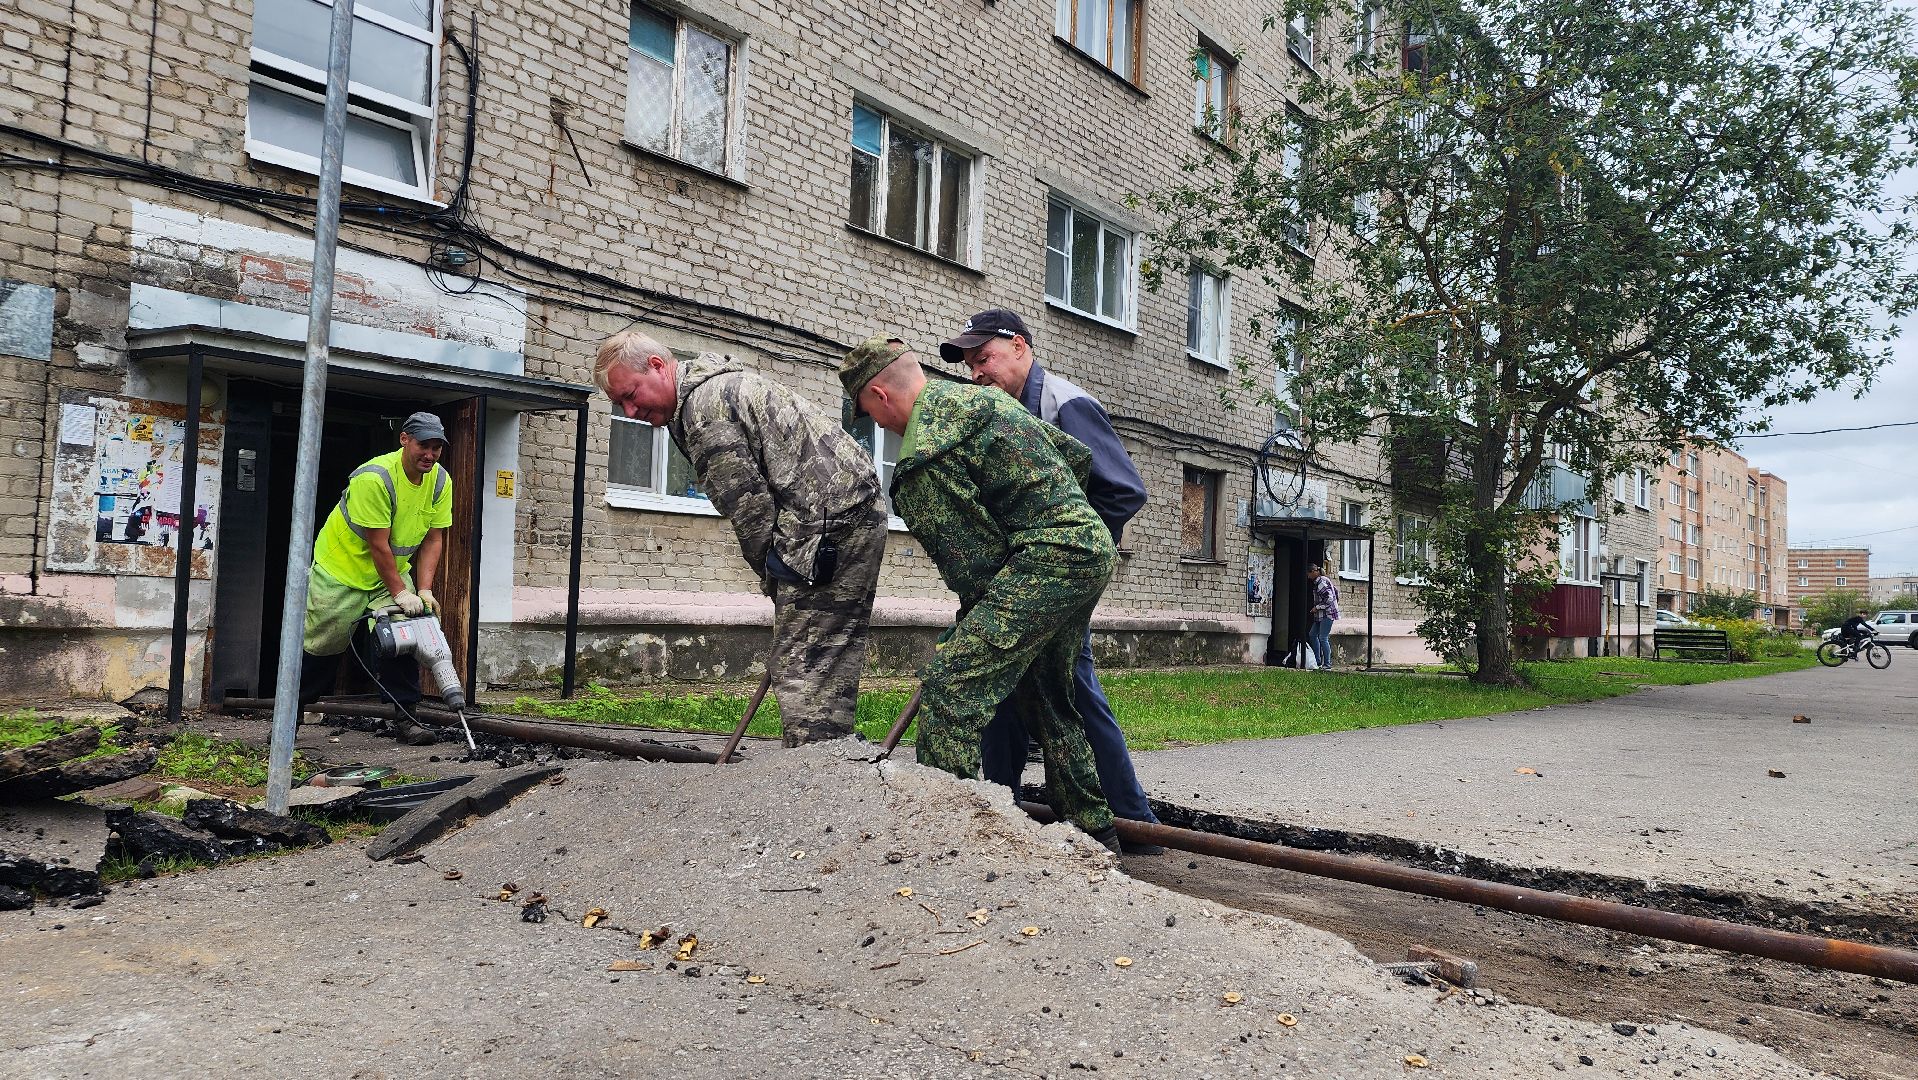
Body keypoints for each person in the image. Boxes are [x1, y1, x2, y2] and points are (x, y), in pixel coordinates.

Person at [840, 335, 1121, 852]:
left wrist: (974, 625)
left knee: (952, 685)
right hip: (1085, 548)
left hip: (1044, 562)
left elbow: (978, 570)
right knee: (1047, 696)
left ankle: (946, 840)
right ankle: (1094, 832)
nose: (876, 426)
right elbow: (1074, 457)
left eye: (869, 414)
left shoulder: (923, 458)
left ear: (881, 395)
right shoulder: (983, 399)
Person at [595, 332, 888, 745]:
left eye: (631, 393)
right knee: (828, 655)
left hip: (825, 527)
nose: (630, 409)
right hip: (850, 513)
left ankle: (817, 781)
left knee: (803, 665)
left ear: (659, 367)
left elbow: (750, 511)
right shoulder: (717, 386)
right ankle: (832, 773)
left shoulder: (703, 410)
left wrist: (776, 577)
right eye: (619, 404)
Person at [940, 308, 1163, 851]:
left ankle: (1134, 822)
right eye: (970, 366)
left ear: (1019, 347)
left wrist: (1064, 549)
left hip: (1058, 575)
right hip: (1025, 577)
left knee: (1072, 686)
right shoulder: (1006, 412)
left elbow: (1123, 490)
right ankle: (998, 806)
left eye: (984, 358)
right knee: (1008, 680)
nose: (977, 374)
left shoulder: (1066, 405)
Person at [299, 411, 453, 745]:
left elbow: (434, 539)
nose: (429, 454)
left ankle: (407, 719)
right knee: (321, 647)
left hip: (390, 574)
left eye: (436, 447)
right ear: (404, 440)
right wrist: (401, 593)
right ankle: (291, 716)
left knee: (404, 639)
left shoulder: (440, 481)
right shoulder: (375, 478)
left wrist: (423, 590)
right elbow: (378, 545)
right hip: (341, 572)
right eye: (423, 445)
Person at [1306, 563, 1340, 671]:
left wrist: (1318, 607)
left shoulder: (1321, 582)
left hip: (1327, 614)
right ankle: (1318, 661)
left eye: (1308, 574)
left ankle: (1327, 664)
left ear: (1313, 572)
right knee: (1312, 634)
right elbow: (1335, 592)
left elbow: (1329, 598)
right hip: (1321, 615)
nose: (1307, 576)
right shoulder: (1321, 581)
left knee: (1323, 638)